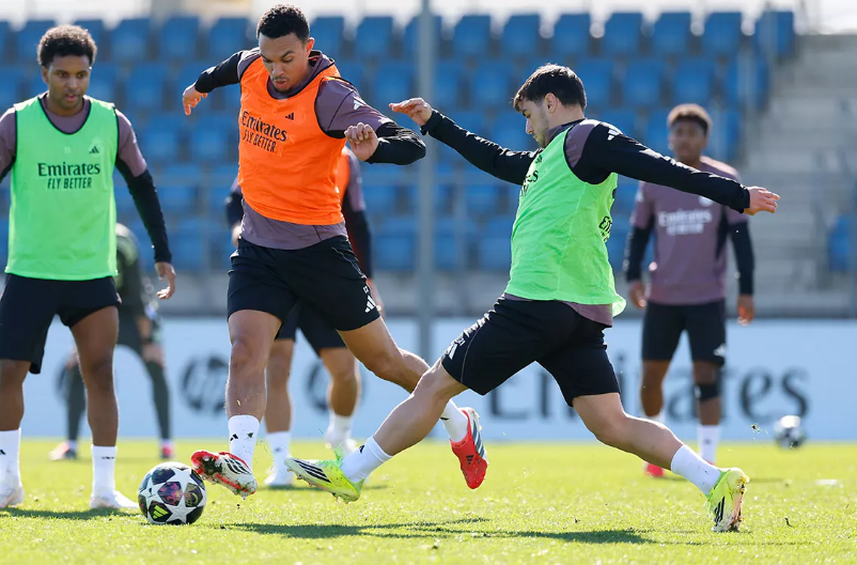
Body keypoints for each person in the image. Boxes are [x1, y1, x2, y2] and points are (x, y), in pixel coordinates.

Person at [286, 65, 779, 533]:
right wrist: (434, 122)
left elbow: (659, 167)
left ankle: (350, 472)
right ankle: (715, 481)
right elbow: (495, 158)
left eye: (527, 115)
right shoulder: (553, 156)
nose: (526, 128)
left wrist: (735, 195)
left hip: (536, 302)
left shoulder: (589, 137)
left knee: (434, 386)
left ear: (550, 102)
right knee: (611, 423)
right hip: (580, 310)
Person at [182, 4, 486, 499]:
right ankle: (239, 458)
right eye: (268, 58)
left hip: (320, 249)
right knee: (245, 350)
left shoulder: (331, 97)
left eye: (286, 59)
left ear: (308, 48)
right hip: (259, 247)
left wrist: (375, 150)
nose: (276, 70)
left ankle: (457, 417)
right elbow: (228, 66)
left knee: (384, 362)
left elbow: (412, 144)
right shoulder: (251, 65)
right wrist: (199, 85)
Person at [0, 25, 176, 510]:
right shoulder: (16, 123)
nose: (73, 84)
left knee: (101, 373)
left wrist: (162, 253)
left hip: (92, 272)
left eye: (82, 74)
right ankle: (8, 484)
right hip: (30, 271)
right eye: (62, 74)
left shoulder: (112, 124)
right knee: (10, 372)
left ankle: (104, 490)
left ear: (91, 73)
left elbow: (143, 188)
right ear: (44, 72)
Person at [226, 146, 379, 487]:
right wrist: (238, 226)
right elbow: (234, 198)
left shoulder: (344, 159)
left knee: (344, 369)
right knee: (278, 365)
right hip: (277, 273)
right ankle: (280, 461)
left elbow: (356, 219)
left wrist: (367, 278)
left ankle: (339, 436)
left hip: (323, 271)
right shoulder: (274, 143)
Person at [624, 104, 754, 477]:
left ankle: (708, 456)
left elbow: (740, 238)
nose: (684, 139)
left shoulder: (724, 179)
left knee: (706, 376)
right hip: (662, 297)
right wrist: (632, 277)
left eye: (691, 133)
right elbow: (639, 234)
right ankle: (655, 451)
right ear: (670, 137)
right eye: (678, 133)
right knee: (650, 379)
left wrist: (747, 289)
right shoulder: (654, 180)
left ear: (704, 138)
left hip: (707, 299)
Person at [50, 223, 173, 463]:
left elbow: (138, 295)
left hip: (132, 315)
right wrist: (79, 341)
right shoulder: (80, 241)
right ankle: (71, 444)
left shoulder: (123, 243)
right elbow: (77, 293)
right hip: (101, 310)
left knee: (156, 366)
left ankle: (167, 444)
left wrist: (148, 340)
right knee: (77, 369)